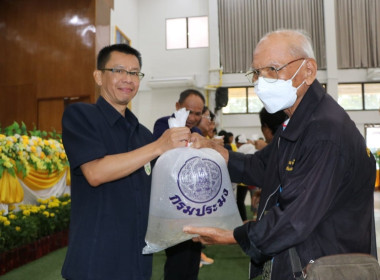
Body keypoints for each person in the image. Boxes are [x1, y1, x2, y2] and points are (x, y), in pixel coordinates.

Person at [184, 29, 377, 280]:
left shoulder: (325, 132)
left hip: (323, 265)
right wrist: (214, 151)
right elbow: (262, 168)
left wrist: (233, 236)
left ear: (308, 71)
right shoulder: (297, 123)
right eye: (257, 72)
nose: (261, 81)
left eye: (273, 69)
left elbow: (295, 219)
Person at [61, 44, 191, 280]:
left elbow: (155, 195)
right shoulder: (80, 116)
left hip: (137, 263)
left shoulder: (142, 133)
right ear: (98, 76)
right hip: (96, 262)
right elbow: (95, 172)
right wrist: (159, 146)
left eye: (134, 73)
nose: (128, 79)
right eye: (119, 70)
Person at [152, 89, 205, 280]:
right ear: (177, 106)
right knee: (177, 260)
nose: (192, 117)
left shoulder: (198, 132)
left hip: (194, 206)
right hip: (172, 207)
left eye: (198, 113)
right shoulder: (163, 124)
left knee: (192, 259)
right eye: (188, 111)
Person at [234, 134, 257, 221]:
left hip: (242, 180)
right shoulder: (251, 146)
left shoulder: (240, 149)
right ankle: (256, 216)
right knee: (255, 198)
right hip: (253, 177)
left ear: (239, 142)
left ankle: (243, 219)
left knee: (240, 201)